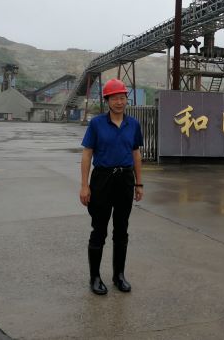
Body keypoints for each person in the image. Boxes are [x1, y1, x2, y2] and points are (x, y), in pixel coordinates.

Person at [79, 79, 144, 295]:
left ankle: (119, 275)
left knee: (122, 229)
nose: (119, 102)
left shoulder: (133, 124)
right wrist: (84, 186)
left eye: (122, 98)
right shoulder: (97, 124)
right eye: (114, 98)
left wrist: (139, 183)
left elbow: (136, 154)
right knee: (99, 229)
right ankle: (95, 277)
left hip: (125, 179)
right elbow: (87, 154)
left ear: (126, 99)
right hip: (102, 180)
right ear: (107, 100)